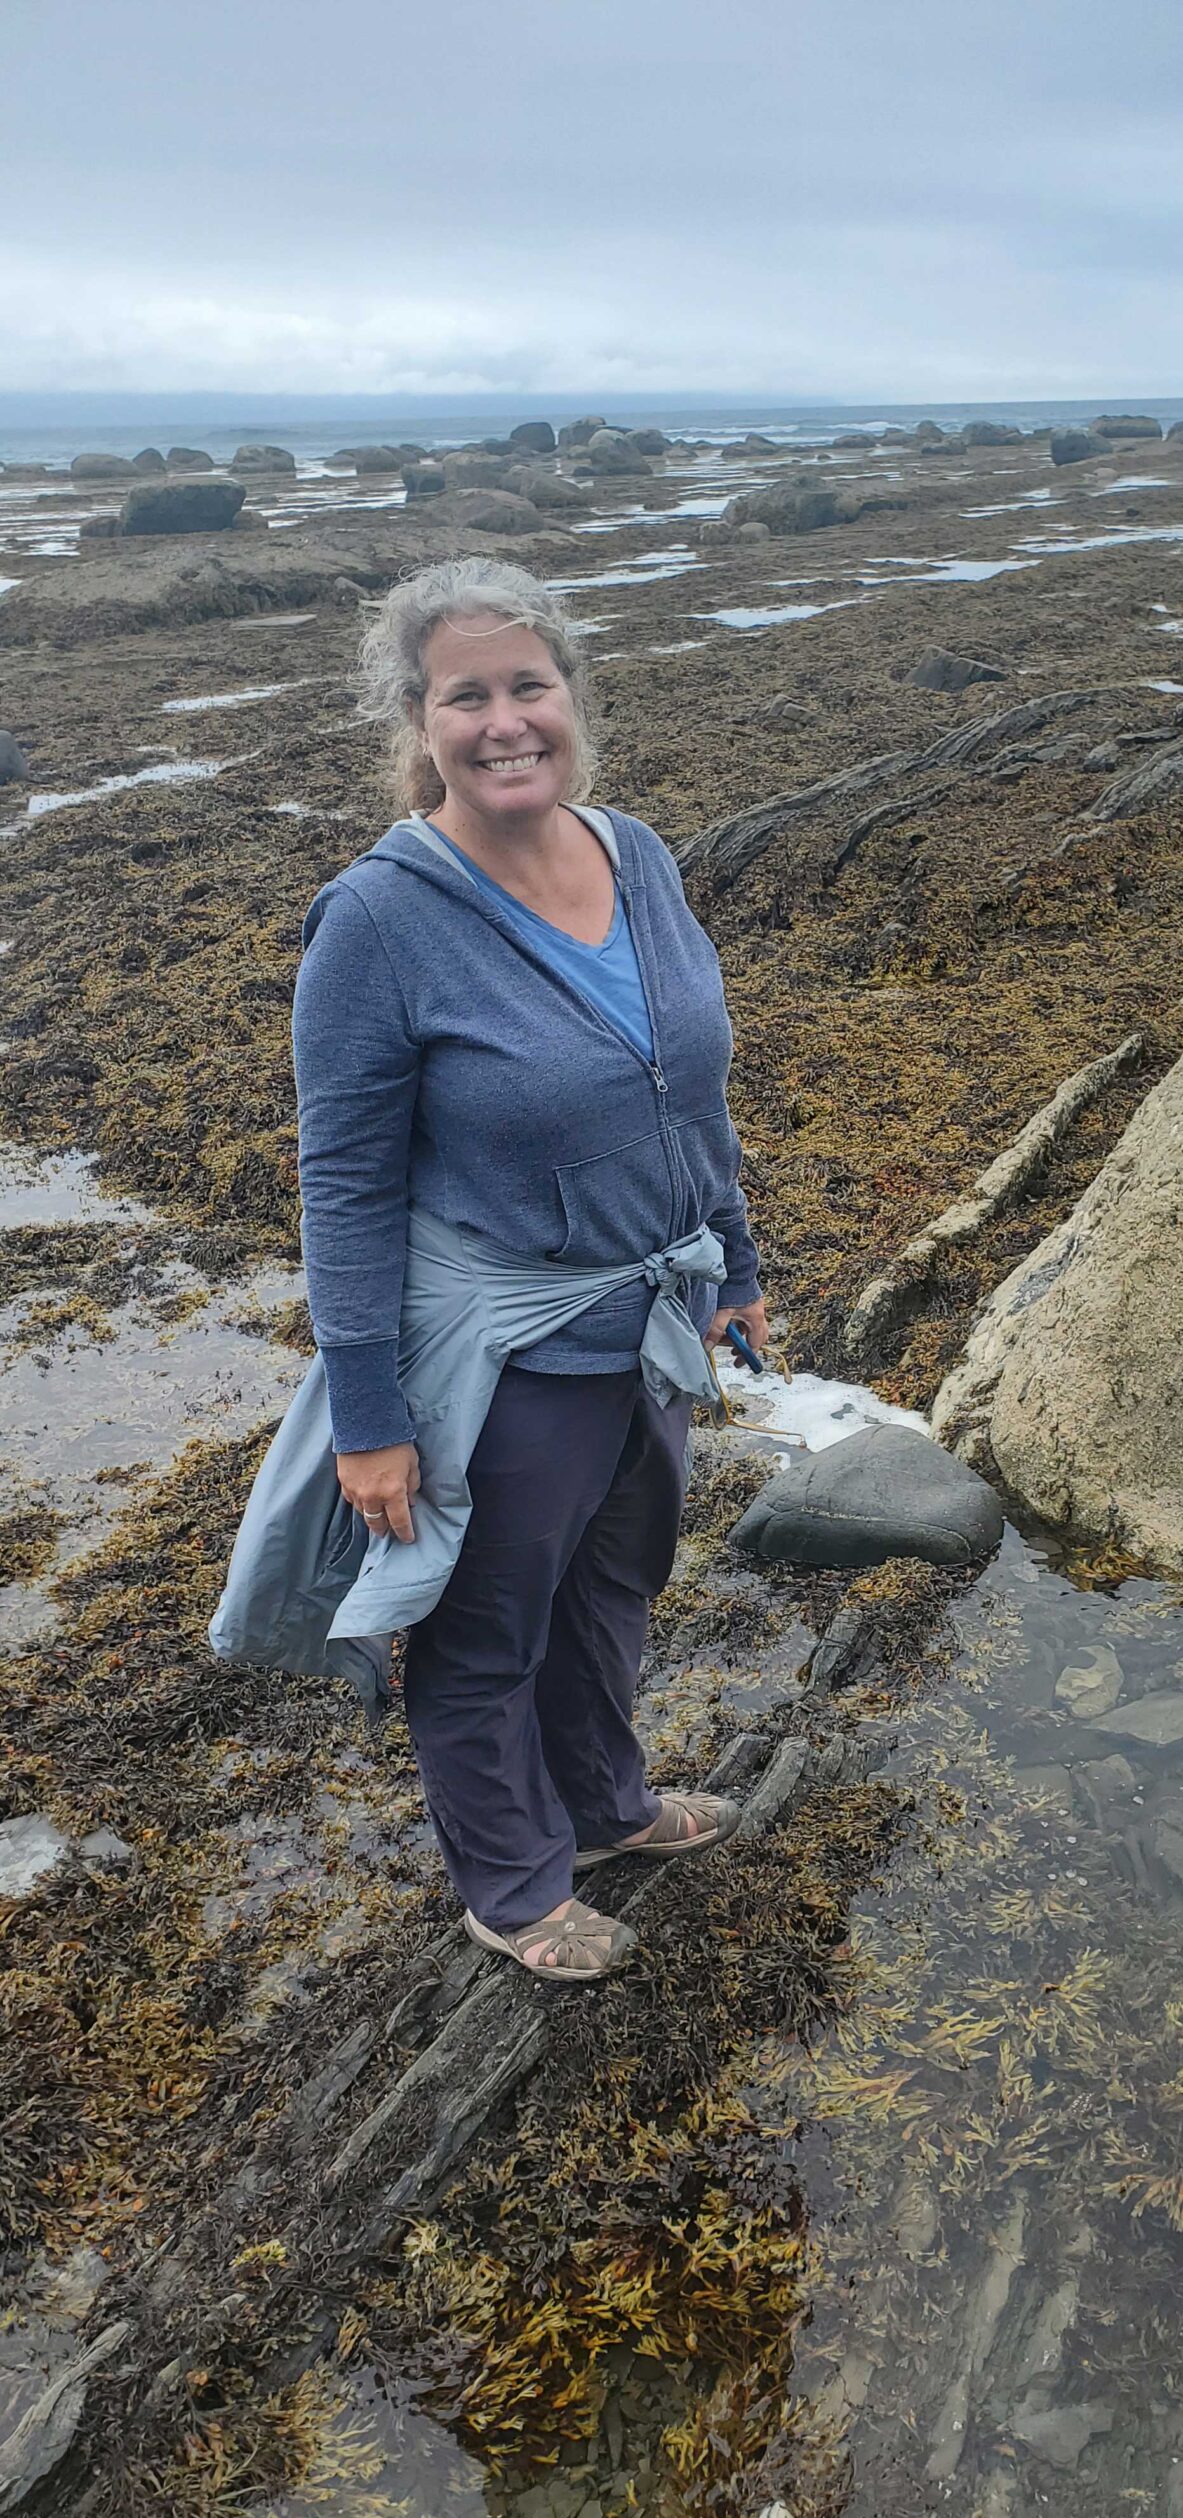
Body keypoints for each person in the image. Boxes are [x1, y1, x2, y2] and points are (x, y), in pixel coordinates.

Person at [291, 555, 770, 1981]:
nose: (504, 722)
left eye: (528, 686)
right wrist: (367, 1416)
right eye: (465, 696)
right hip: (508, 1346)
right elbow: (346, 1183)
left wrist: (732, 1260)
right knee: (485, 1628)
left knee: (615, 1582)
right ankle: (513, 1883)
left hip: (656, 1312)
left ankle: (610, 1808)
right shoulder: (377, 922)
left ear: (571, 697)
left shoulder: (637, 852)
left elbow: (689, 1087)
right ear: (416, 723)